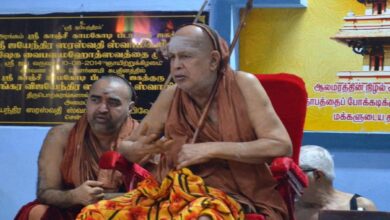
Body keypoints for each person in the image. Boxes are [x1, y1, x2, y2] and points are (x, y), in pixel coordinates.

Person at [77, 24, 292, 220]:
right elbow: (128, 146)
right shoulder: (171, 96)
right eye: (172, 58)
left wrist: (210, 149)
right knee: (93, 213)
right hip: (174, 191)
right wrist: (141, 149)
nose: (176, 66)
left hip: (233, 195)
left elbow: (280, 145)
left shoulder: (244, 85)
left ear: (214, 60)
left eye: (186, 57)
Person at [15, 75, 139, 220]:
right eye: (95, 100)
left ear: (129, 108)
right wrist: (75, 196)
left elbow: (156, 194)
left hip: (124, 212)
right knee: (37, 212)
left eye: (113, 102)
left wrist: (103, 199)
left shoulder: (142, 139)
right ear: (87, 102)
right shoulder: (61, 136)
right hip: (74, 210)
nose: (103, 108)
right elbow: (45, 192)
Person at [295, 145, 377, 220]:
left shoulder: (359, 206)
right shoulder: (290, 209)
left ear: (317, 175)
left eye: (296, 174)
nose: (291, 180)